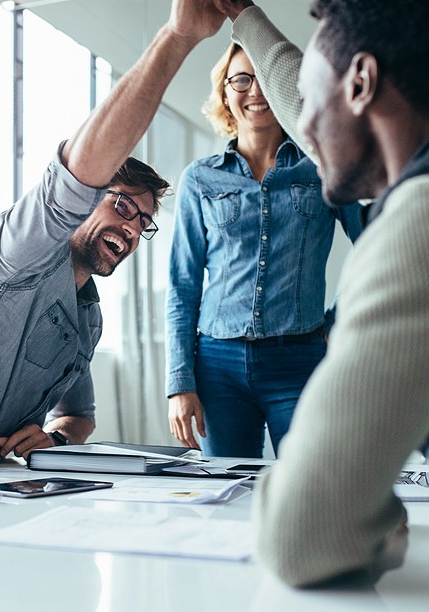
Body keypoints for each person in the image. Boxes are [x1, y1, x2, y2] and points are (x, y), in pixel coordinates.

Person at [215, 0, 429, 588]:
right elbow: (299, 89)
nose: (300, 128)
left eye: (311, 107)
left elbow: (304, 537)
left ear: (361, 82)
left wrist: (373, 523)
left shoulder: (420, 222)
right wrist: (244, 15)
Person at [0, 0, 226, 461]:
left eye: (143, 221)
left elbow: (80, 415)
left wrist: (57, 438)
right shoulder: (21, 252)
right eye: (122, 203)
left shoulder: (89, 317)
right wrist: (178, 37)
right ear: (88, 201)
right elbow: (76, 175)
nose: (131, 227)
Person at [165, 41, 363, 458]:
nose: (255, 91)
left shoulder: (324, 167)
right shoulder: (199, 180)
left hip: (301, 362)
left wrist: (337, 322)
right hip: (216, 367)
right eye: (241, 79)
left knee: (311, 486)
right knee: (226, 495)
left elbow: (377, 248)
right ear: (225, 93)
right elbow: (182, 287)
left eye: (266, 80)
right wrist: (180, 383)